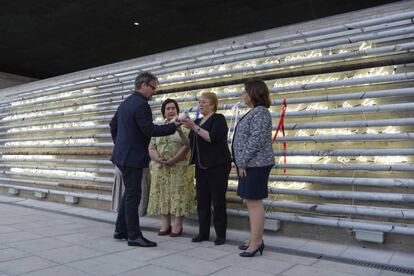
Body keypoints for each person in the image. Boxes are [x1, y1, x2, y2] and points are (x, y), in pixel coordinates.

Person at [110, 72, 179, 247]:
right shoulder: (141, 105)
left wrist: (120, 144)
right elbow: (149, 130)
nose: (154, 92)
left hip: (122, 155)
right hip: (132, 157)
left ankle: (120, 230)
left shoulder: (125, 103)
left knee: (129, 193)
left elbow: (113, 125)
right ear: (143, 85)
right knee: (134, 195)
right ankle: (133, 235)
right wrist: (172, 126)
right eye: (153, 87)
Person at [180, 92, 231, 245]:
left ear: (213, 104)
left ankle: (221, 235)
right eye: (199, 102)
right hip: (201, 166)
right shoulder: (197, 121)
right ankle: (203, 233)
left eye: (204, 102)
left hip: (217, 166)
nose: (200, 104)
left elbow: (212, 138)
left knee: (218, 200)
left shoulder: (219, 119)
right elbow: (189, 144)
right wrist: (179, 130)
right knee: (202, 201)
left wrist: (194, 127)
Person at [232, 79, 275, 257]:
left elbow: (255, 140)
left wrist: (241, 161)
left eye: (245, 92)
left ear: (254, 93)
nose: (243, 95)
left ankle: (256, 243)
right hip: (250, 163)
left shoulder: (261, 112)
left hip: (255, 164)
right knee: (250, 201)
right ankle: (254, 239)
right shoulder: (255, 112)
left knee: (254, 202)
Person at [147, 98, 196, 237]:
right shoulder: (157, 127)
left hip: (179, 168)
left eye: (173, 108)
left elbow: (188, 145)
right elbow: (151, 147)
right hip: (160, 168)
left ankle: (177, 225)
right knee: (162, 195)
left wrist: (173, 159)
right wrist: (158, 158)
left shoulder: (185, 127)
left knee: (178, 195)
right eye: (167, 109)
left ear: (177, 111)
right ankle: (165, 224)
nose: (170, 111)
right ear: (163, 112)